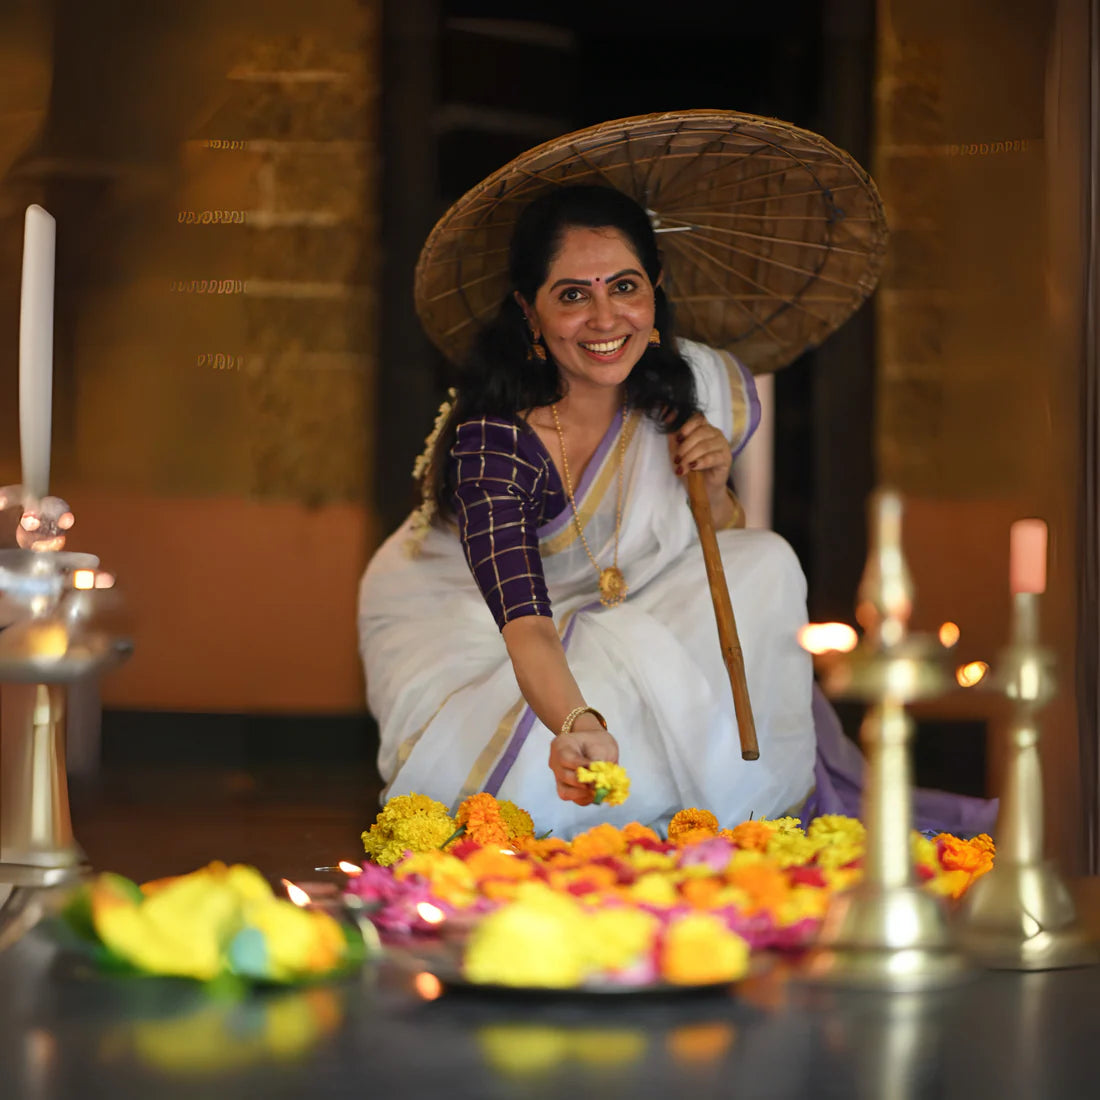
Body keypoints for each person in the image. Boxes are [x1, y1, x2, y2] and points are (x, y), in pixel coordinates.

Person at [358, 184, 817, 838]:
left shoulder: (682, 393)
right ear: (530, 311)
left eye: (625, 287)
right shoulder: (496, 445)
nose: (605, 319)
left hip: (615, 603)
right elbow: (527, 625)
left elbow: (717, 546)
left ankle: (712, 801)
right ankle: (632, 798)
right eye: (573, 296)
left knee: (764, 560)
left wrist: (713, 486)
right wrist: (579, 722)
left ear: (655, 289)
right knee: (518, 797)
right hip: (470, 620)